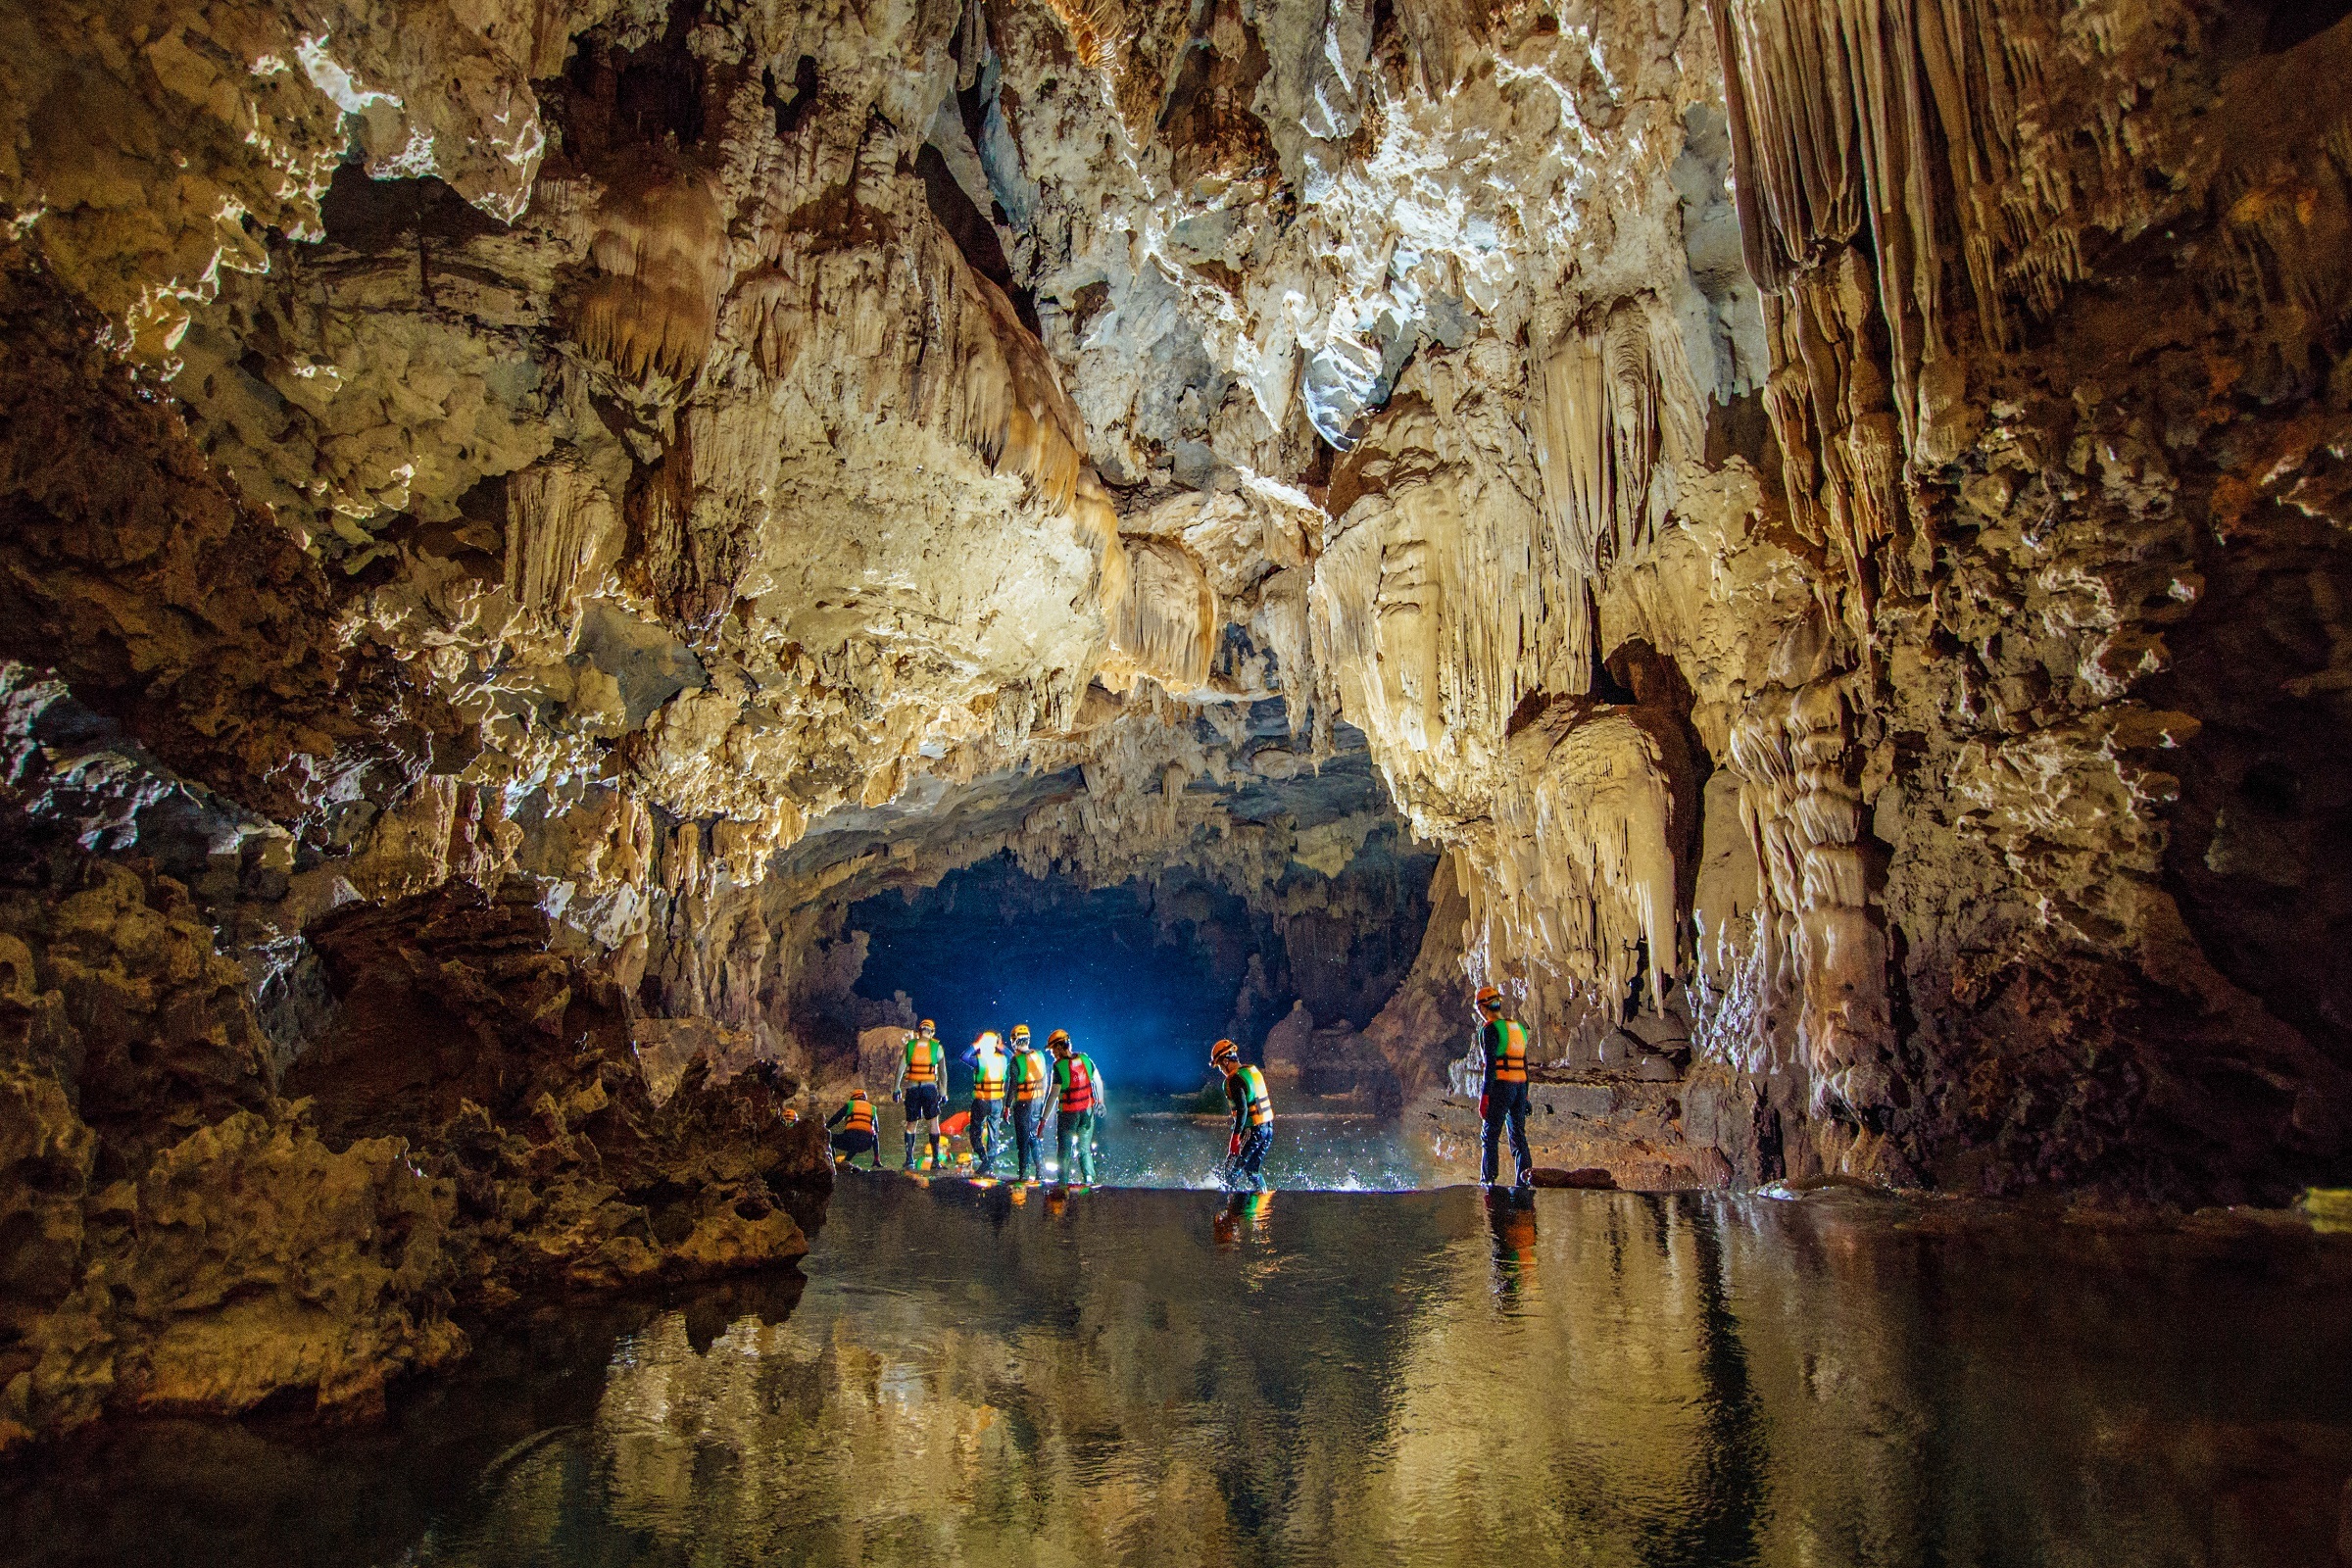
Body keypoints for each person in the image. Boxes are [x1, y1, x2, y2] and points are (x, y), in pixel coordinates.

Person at [1476, 984, 1534, 1188]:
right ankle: (1525, 1181)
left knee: (1490, 1135)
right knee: (1518, 1135)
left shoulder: (1490, 1029)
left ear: (1483, 1008)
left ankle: (1488, 1181)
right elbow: (1525, 1064)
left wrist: (1484, 1096)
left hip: (1501, 1086)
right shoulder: (1517, 1027)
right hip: (1519, 1086)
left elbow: (1490, 1065)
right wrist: (1526, 1096)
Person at [1211, 1039, 1275, 1191]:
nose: (1221, 1070)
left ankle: (1232, 1209)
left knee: (1231, 1172)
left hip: (1254, 1130)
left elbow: (1242, 1110)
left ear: (1226, 1061)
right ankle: (1262, 1201)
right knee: (1252, 1171)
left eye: (1220, 1066)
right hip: (1268, 1129)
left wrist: (1235, 1137)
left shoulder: (1234, 1080)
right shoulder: (1251, 1070)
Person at [1049, 1029, 1104, 1188]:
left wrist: (1043, 1119)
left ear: (1059, 1047)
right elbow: (1098, 1081)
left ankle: (1062, 1184)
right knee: (1084, 1149)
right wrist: (1100, 1102)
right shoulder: (1085, 1058)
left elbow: (1053, 1095)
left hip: (1068, 1114)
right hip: (1087, 1112)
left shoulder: (1058, 1067)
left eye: (1053, 1049)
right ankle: (1089, 1181)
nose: (1052, 1053)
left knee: (1064, 1152)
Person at [897, 1017, 949, 1170]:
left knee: (911, 1124)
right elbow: (943, 1072)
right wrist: (943, 1092)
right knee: (933, 1122)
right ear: (931, 1032)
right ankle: (935, 1161)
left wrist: (896, 1088)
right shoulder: (937, 1047)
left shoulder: (909, 1046)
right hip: (929, 1088)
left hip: (912, 1088)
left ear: (919, 1031)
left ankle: (909, 1160)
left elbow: (900, 1069)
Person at [1008, 1024, 1053, 1182]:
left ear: (1014, 1040)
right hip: (1038, 1101)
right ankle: (1041, 1172)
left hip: (1023, 1103)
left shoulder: (1016, 1060)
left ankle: (1024, 1174)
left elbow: (1013, 1086)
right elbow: (1046, 1080)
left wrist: (1007, 1106)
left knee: (1022, 1138)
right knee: (1033, 1136)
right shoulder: (1040, 1055)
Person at [963, 1029, 1009, 1175]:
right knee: (993, 1132)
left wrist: (975, 1045)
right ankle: (989, 1162)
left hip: (981, 1101)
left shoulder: (979, 1059)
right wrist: (1002, 1047)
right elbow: (1013, 1057)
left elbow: (964, 1057)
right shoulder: (1003, 1059)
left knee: (975, 1132)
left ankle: (984, 1159)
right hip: (997, 1102)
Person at [826, 1089, 880, 1169]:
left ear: (853, 1098)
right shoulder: (872, 1108)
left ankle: (833, 1165)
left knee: (828, 1139)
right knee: (864, 1139)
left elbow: (836, 1119)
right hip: (866, 1144)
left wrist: (825, 1128)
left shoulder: (850, 1104)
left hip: (851, 1139)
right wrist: (876, 1157)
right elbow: (876, 1130)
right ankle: (876, 1160)